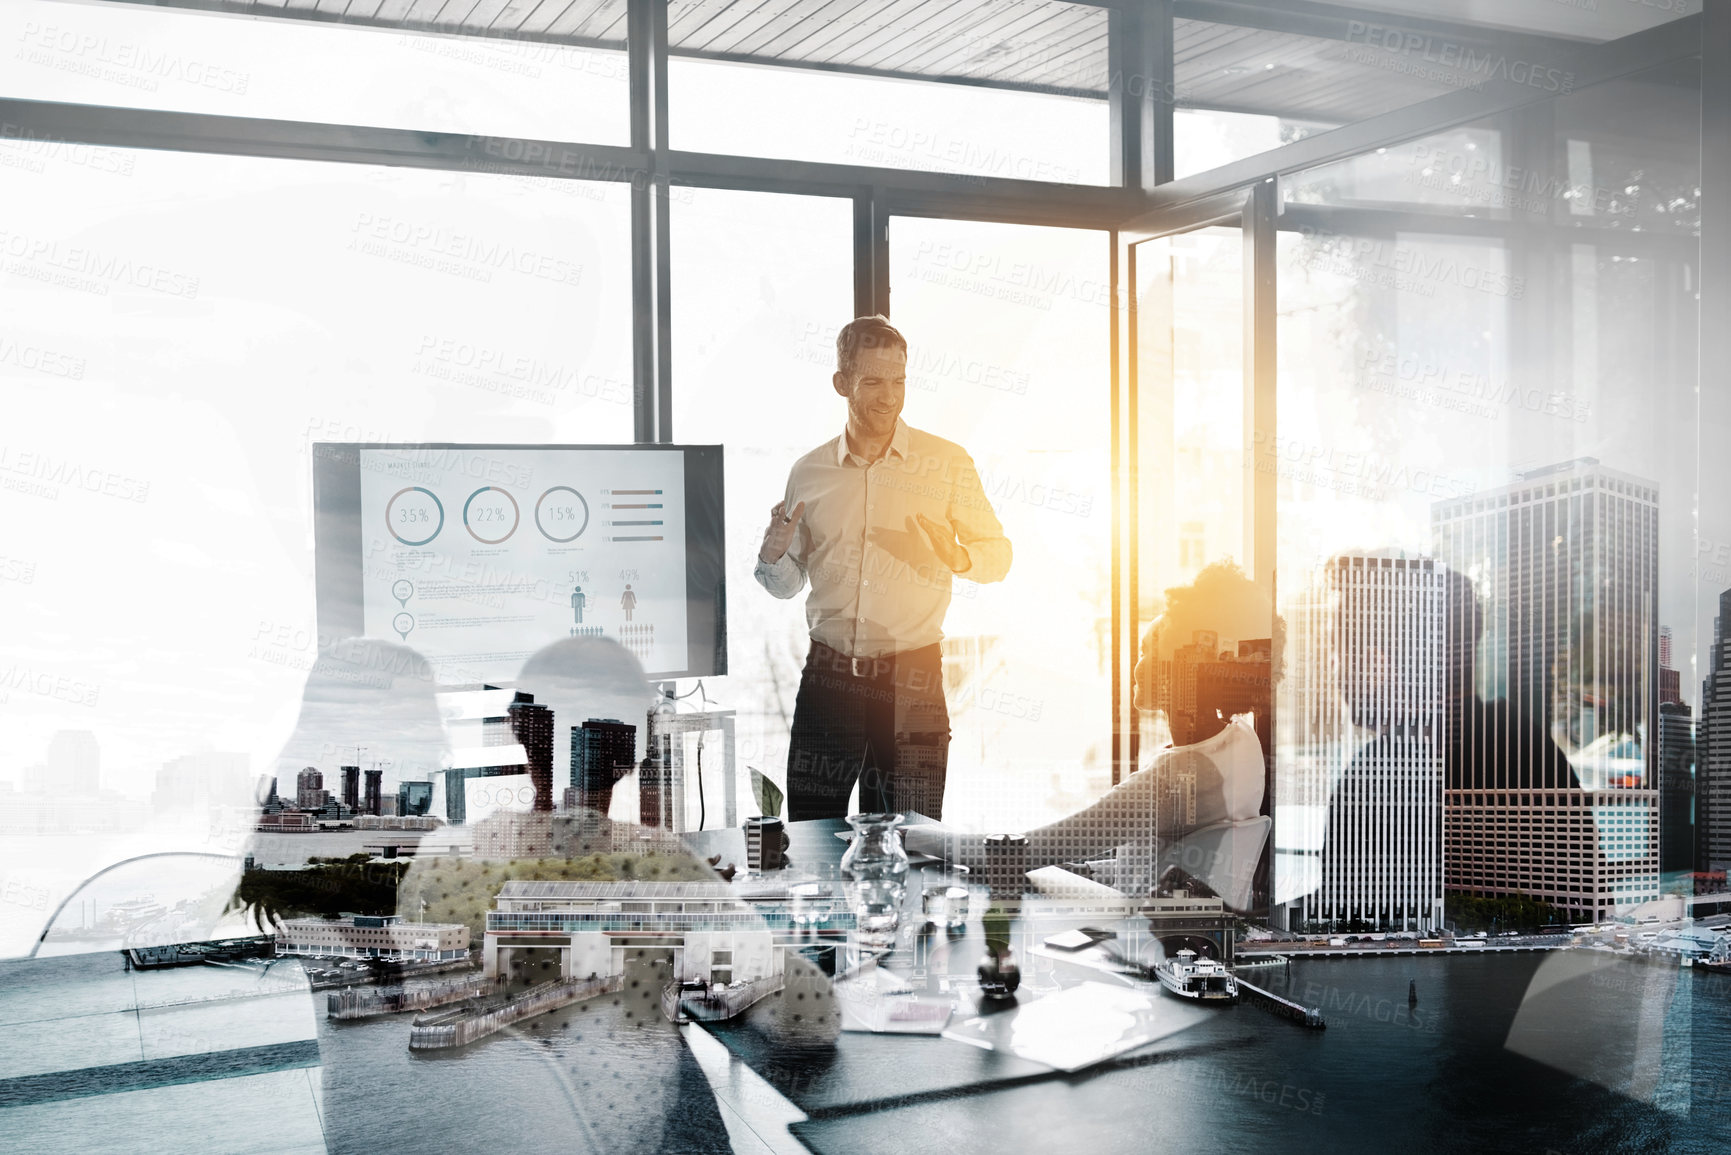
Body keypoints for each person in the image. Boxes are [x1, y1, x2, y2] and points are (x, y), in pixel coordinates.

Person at [755, 315, 1012, 821]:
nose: (889, 396)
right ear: (841, 383)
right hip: (829, 678)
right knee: (811, 833)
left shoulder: (948, 463)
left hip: (913, 677)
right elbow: (786, 587)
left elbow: (998, 555)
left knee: (916, 840)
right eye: (873, 381)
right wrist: (772, 554)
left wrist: (956, 556)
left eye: (898, 381)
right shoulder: (808, 472)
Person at [904, 562, 1274, 911]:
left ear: (1182, 670)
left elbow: (1017, 853)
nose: (1137, 665)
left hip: (1135, 944)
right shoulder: (1241, 745)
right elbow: (1155, 869)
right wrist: (1080, 869)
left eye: (1149, 652)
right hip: (1169, 932)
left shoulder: (1174, 780)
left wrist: (905, 833)